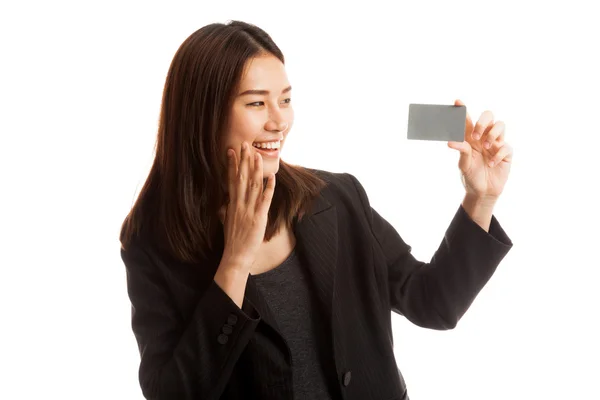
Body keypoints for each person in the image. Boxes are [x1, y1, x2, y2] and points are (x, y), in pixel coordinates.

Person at [119, 20, 514, 400]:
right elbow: (172, 391)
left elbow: (433, 302)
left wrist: (480, 199)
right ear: (203, 114)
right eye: (257, 103)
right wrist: (234, 263)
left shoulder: (336, 198)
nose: (280, 121)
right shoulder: (153, 243)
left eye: (286, 100)